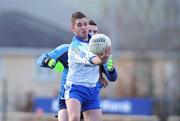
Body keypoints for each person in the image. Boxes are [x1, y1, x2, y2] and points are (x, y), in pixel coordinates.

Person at [36, 17, 117, 121]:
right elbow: (40, 59)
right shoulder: (68, 49)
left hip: (90, 95)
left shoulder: (100, 54)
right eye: (90, 30)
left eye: (95, 32)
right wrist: (50, 62)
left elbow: (112, 77)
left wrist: (110, 69)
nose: (92, 33)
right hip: (70, 95)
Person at [64, 11, 113, 121]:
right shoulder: (75, 47)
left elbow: (106, 67)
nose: (83, 27)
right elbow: (92, 60)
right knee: (74, 118)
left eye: (85, 24)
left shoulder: (97, 41)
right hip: (76, 88)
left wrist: (101, 74)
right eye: (79, 25)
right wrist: (102, 59)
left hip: (92, 90)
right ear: (73, 28)